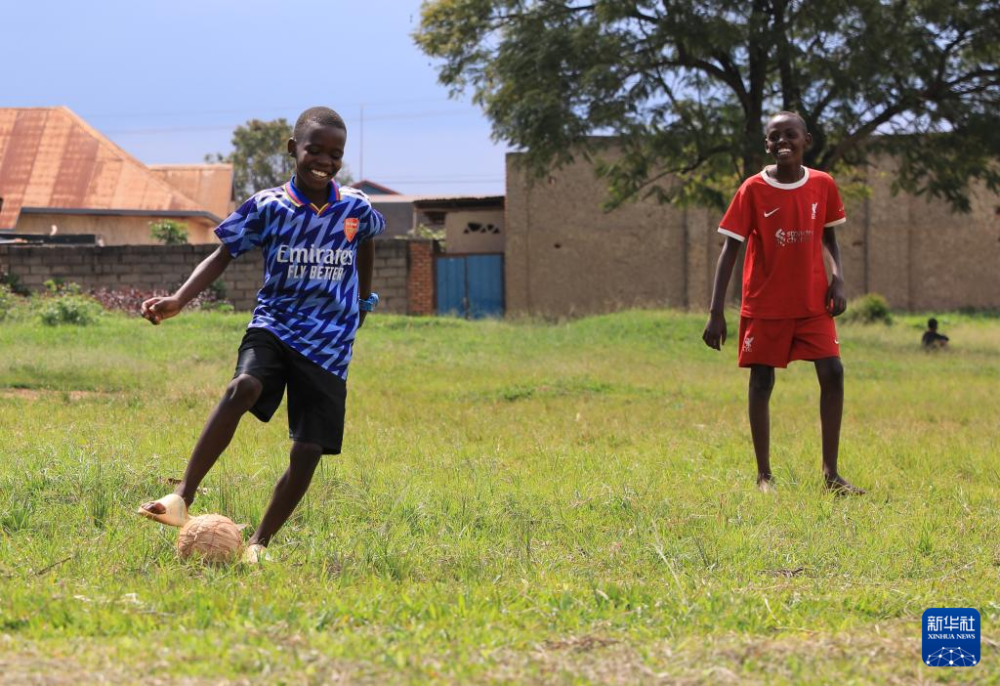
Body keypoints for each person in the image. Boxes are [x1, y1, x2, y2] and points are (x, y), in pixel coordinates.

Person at [137, 106, 385, 562]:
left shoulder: (356, 207)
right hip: (274, 324)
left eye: (336, 154)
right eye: (315, 149)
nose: (325, 161)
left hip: (330, 343)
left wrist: (364, 300)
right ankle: (181, 497)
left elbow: (367, 241)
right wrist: (179, 299)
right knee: (243, 386)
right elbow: (221, 255)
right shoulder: (269, 206)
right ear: (294, 149)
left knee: (308, 449)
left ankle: (258, 546)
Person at [702, 111, 864, 495]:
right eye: (774, 137)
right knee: (761, 381)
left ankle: (831, 474)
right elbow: (730, 251)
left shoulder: (823, 184)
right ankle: (764, 476)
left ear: (807, 140)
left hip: (812, 302)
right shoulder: (752, 189)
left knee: (833, 372)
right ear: (767, 145)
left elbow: (830, 238)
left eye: (790, 135)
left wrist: (837, 279)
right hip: (765, 304)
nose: (782, 142)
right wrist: (715, 312)